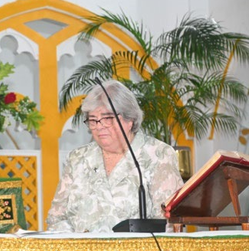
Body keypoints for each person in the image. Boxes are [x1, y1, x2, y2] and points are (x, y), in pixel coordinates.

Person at [47, 80, 184, 233]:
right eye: (93, 120)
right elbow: (56, 218)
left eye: (107, 119)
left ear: (129, 120)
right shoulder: (78, 158)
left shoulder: (157, 155)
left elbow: (170, 221)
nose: (99, 126)